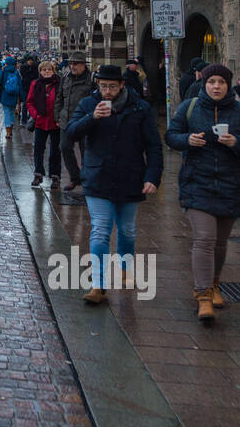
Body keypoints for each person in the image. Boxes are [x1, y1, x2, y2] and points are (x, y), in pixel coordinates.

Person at [66, 63, 163, 306]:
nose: (106, 91)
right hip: (98, 176)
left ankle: (124, 268)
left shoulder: (139, 107)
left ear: (121, 85)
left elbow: (153, 145)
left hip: (130, 176)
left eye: (111, 86)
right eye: (102, 86)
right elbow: (71, 133)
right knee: (100, 229)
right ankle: (98, 284)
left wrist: (152, 176)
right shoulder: (89, 104)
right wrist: (93, 118)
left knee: (127, 229)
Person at [165, 63, 240, 322]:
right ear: (204, 84)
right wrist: (187, 140)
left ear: (228, 85)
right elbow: (171, 135)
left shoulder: (238, 110)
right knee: (204, 239)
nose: (216, 86)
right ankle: (203, 296)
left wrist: (235, 144)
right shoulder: (190, 107)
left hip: (231, 185)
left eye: (221, 82)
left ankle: (216, 284)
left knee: (220, 243)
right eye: (211, 82)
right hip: (197, 182)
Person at [57, 52, 92, 192]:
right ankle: (75, 177)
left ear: (83, 65)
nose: (72, 66)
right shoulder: (65, 78)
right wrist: (57, 116)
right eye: (70, 63)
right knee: (64, 147)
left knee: (87, 152)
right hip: (67, 120)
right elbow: (60, 98)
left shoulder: (91, 80)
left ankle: (87, 181)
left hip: (85, 121)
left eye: (75, 63)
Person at [27, 60, 62, 190]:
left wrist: (60, 117)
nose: (47, 72)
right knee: (38, 149)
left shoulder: (60, 83)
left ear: (53, 71)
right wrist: (35, 115)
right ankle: (38, 173)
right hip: (41, 121)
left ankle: (55, 176)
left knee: (55, 151)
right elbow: (29, 102)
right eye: (44, 70)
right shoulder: (35, 84)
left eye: (49, 69)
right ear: (40, 71)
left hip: (55, 122)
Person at [0, 57, 22, 139]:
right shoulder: (16, 72)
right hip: (14, 96)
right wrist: (21, 98)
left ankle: (8, 132)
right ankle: (11, 129)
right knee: (12, 112)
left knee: (6, 113)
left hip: (5, 94)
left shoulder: (3, 71)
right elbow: (20, 85)